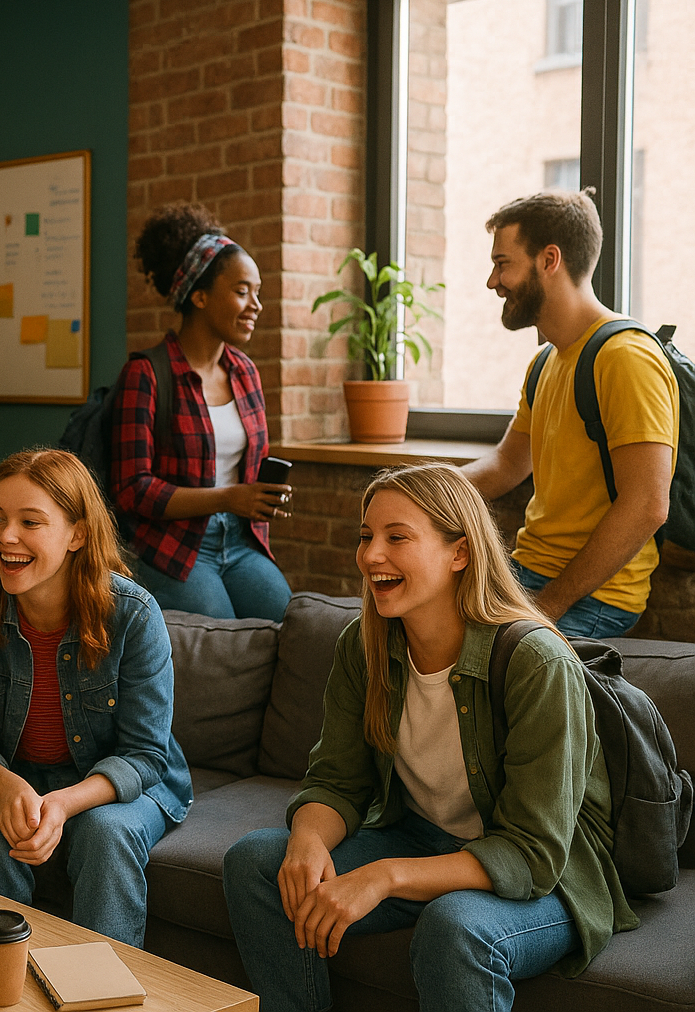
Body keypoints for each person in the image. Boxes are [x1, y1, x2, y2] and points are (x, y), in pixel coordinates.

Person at [222, 463, 636, 1012]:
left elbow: (532, 853)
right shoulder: (363, 644)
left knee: (455, 926)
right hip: (424, 838)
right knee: (255, 863)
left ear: (459, 552)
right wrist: (306, 840)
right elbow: (336, 781)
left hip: (551, 878)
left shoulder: (536, 661)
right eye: (366, 536)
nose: (371, 556)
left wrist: (384, 877)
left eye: (398, 538)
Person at [0, 449, 193, 948]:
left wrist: (65, 803)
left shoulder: (134, 614)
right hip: (18, 773)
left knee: (104, 834)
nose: (6, 537)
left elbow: (145, 754)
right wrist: (10, 788)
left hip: (120, 784)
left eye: (30, 522)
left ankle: (103, 994)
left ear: (77, 534)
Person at [463, 190, 675, 638]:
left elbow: (647, 506)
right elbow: (506, 465)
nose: (492, 281)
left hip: (593, 595)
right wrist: (417, 490)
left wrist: (547, 607)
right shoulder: (545, 362)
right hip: (528, 573)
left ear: (549, 259)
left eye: (503, 263)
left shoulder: (626, 357)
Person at [112, 202, 293, 621]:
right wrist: (231, 497)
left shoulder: (245, 372)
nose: (256, 306)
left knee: (286, 622)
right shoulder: (147, 374)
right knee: (221, 641)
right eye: (242, 291)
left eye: (258, 292)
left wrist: (260, 497)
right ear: (199, 295)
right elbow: (132, 489)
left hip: (241, 541)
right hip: (172, 548)